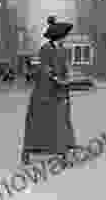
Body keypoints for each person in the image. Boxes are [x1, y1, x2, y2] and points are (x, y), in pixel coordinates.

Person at [21, 20, 76, 165]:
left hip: (60, 91)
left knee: (60, 122)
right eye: (65, 36)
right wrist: (54, 77)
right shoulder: (45, 49)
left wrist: (66, 79)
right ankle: (29, 151)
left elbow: (64, 68)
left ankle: (64, 149)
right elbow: (43, 68)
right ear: (59, 36)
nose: (66, 38)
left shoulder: (62, 49)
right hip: (45, 92)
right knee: (40, 123)